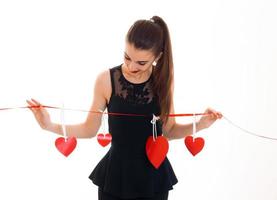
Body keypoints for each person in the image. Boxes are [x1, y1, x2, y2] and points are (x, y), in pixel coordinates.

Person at [26, 15, 222, 200]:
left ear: (157, 56)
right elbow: (89, 129)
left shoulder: (163, 82)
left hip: (153, 179)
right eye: (127, 57)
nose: (131, 66)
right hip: (115, 177)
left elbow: (168, 130)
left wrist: (201, 124)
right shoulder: (106, 80)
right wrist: (49, 125)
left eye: (141, 62)